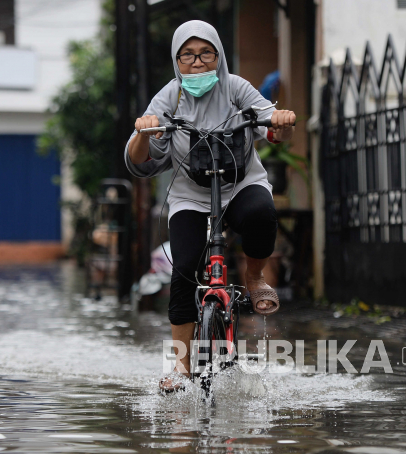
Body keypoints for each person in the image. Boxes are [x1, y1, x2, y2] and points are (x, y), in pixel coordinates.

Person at [125, 20, 296, 391]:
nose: (197, 62)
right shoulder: (169, 98)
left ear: (218, 55)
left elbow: (272, 128)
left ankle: (253, 277)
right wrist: (143, 130)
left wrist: (281, 123)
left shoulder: (235, 88)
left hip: (241, 183)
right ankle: (180, 368)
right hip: (190, 193)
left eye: (206, 53)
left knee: (261, 214)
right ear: (177, 59)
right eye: (188, 55)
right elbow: (140, 157)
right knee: (184, 269)